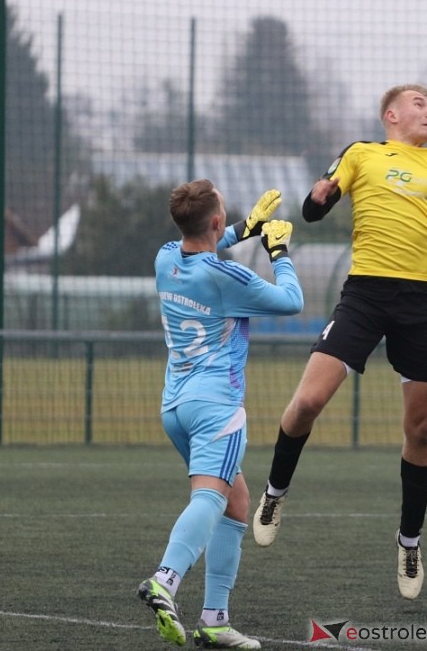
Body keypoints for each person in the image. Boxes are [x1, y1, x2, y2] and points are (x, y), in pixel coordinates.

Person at [250, 84, 427, 600]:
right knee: (307, 399)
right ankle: (274, 492)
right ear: (391, 114)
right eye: (420, 103)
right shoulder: (361, 154)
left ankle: (410, 542)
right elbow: (314, 208)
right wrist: (318, 195)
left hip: (424, 301)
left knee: (419, 431)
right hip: (367, 293)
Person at [138, 181, 303, 649]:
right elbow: (292, 301)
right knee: (210, 498)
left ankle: (214, 619)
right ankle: (164, 580)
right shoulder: (225, 278)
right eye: (224, 214)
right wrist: (279, 249)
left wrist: (245, 228)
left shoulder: (165, 257)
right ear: (213, 220)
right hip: (217, 408)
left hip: (175, 405)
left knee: (236, 502)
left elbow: (205, 244)